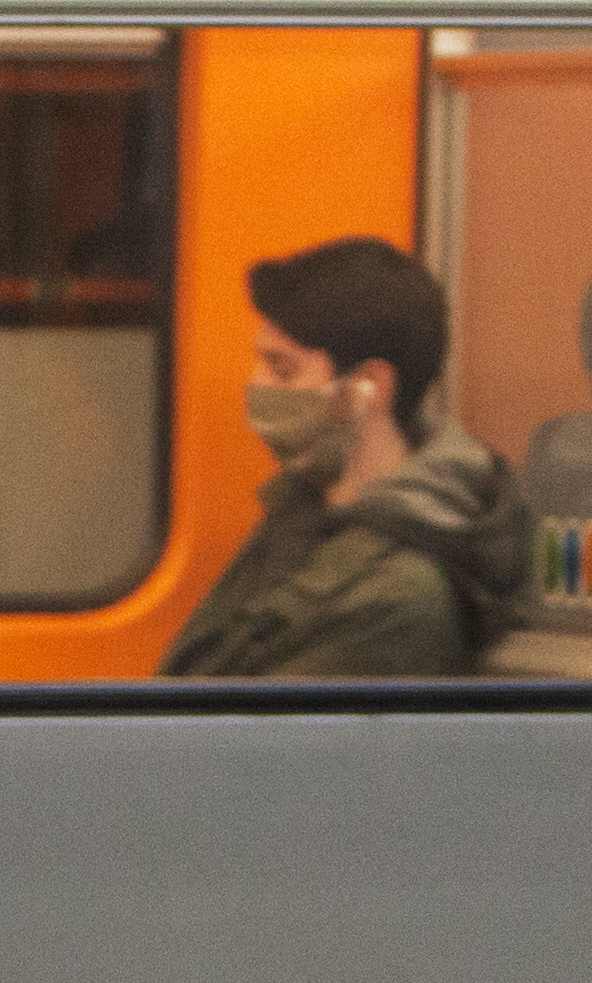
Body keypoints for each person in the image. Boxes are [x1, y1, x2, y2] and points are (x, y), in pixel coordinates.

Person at [159, 235, 533, 678]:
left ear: (368, 385)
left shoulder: (401, 599)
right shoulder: (302, 516)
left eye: (283, 368)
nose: (257, 385)